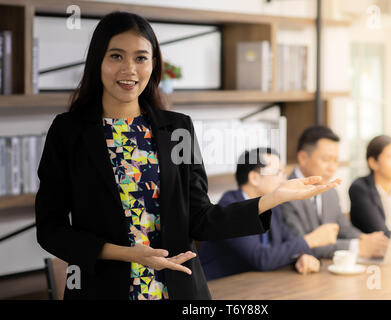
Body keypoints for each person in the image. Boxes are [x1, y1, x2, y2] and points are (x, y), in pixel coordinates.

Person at [34, 11, 340, 300]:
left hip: (178, 289)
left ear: (153, 64)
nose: (129, 69)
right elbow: (51, 230)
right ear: (97, 61)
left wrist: (272, 198)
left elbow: (201, 218)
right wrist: (128, 254)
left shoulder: (177, 129)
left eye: (141, 58)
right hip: (102, 289)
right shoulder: (69, 131)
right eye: (116, 56)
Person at [199, 148, 335, 280]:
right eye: (278, 173)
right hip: (219, 289)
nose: (283, 181)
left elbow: (288, 241)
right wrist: (311, 240)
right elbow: (261, 258)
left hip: (255, 284)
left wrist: (301, 257)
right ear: (254, 178)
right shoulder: (229, 207)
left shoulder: (272, 205)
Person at [280, 126, 389, 259]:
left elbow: (343, 228)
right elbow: (301, 245)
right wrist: (356, 247)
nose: (332, 168)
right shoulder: (284, 193)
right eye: (326, 160)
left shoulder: (330, 191)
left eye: (335, 160)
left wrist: (365, 238)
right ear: (303, 158)